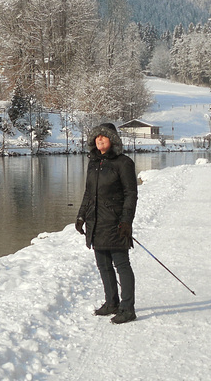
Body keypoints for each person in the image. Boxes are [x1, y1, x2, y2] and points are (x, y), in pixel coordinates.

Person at [75, 122, 138, 324]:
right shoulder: (93, 163)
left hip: (116, 222)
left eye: (104, 136)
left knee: (121, 264)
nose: (99, 139)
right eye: (97, 137)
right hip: (96, 222)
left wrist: (126, 221)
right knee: (103, 264)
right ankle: (112, 303)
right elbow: (88, 193)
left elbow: (131, 194)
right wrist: (81, 216)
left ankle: (127, 308)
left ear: (113, 140)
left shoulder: (124, 163)